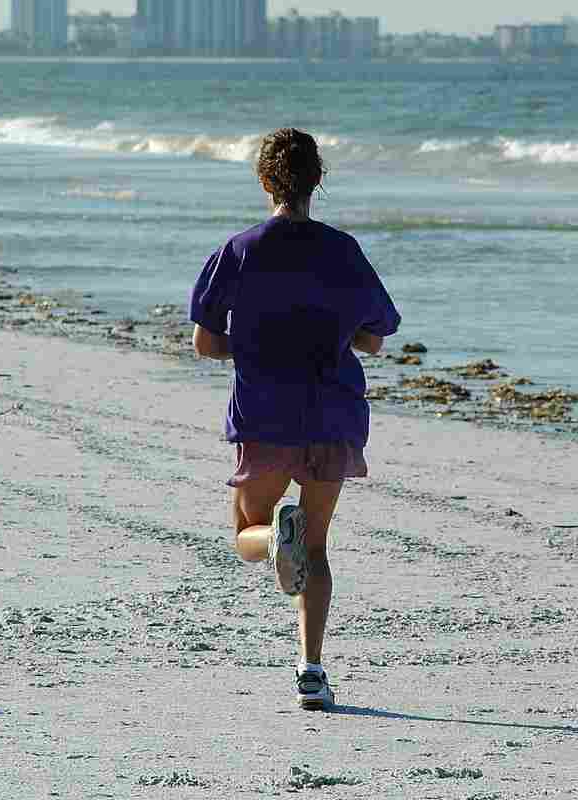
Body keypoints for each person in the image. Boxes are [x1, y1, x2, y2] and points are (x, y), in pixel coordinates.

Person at [188, 127, 401, 711]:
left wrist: (257, 346)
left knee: (246, 534)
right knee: (319, 546)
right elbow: (376, 338)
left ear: (264, 180)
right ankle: (311, 670)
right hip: (332, 413)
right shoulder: (343, 250)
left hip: (264, 413)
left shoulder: (240, 250)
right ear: (318, 181)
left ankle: (276, 538)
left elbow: (207, 343)